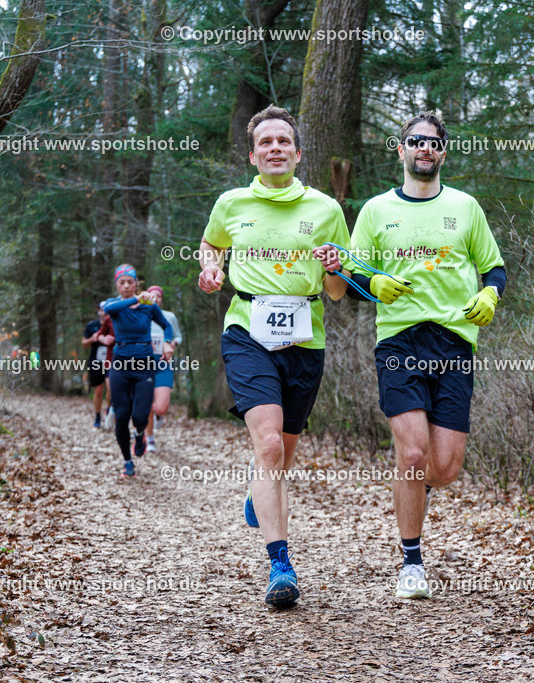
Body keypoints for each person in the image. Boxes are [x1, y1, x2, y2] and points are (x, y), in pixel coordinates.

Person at [197, 105, 351, 608]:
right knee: (267, 446)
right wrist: (212, 270)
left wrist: (335, 267)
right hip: (247, 331)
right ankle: (279, 564)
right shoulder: (232, 203)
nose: (275, 149)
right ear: (253, 155)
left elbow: (336, 292)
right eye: (266, 143)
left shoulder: (326, 209)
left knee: (281, 455)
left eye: (283, 141)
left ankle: (257, 493)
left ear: (298, 153)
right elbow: (209, 244)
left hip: (305, 339)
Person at [348, 111, 506, 599]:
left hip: (455, 342)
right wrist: (373, 281)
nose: (425, 149)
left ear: (443, 152)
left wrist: (489, 296)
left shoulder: (465, 207)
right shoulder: (376, 211)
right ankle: (411, 563)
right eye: (415, 141)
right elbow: (352, 276)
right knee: (412, 452)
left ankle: (412, 491)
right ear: (400, 150)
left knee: (443, 468)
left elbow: (494, 267)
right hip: (399, 340)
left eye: (434, 143)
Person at [102, 264, 173, 478]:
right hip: (121, 364)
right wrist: (137, 299)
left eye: (130, 282)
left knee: (141, 416)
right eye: (121, 282)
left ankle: (140, 433)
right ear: (117, 285)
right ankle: (127, 462)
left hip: (144, 364)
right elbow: (108, 310)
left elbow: (166, 325)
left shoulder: (149, 307)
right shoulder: (114, 304)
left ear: (136, 283)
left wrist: (167, 342)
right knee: (122, 415)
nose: (126, 286)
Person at [143, 285, 183, 452]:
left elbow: (178, 335)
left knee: (161, 407)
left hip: (163, 363)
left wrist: (172, 343)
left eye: (158, 296)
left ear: (161, 299)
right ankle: (149, 439)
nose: (155, 298)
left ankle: (155, 414)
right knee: (146, 403)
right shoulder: (141, 314)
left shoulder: (169, 316)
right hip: (143, 364)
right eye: (152, 295)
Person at [82, 305, 114, 428]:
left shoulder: (114, 323)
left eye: (108, 310)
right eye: (103, 310)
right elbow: (84, 344)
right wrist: (92, 339)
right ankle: (97, 416)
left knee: (111, 388)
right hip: (96, 362)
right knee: (98, 391)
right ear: (99, 311)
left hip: (111, 361)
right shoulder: (91, 326)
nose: (105, 313)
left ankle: (109, 410)